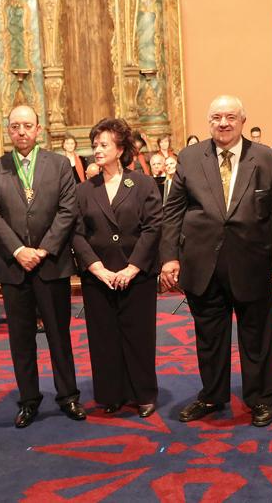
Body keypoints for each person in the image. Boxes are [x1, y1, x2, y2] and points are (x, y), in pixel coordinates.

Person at [160, 95, 272, 428]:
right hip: (202, 265)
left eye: (230, 117)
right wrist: (168, 258)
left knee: (257, 338)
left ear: (242, 121)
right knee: (209, 338)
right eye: (216, 117)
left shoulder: (266, 158)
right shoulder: (190, 158)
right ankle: (211, 395)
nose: (223, 123)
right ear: (209, 122)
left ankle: (261, 400)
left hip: (252, 263)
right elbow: (173, 210)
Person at [0, 104, 85, 428]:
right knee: (20, 338)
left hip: (50, 263)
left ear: (38, 129)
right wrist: (18, 250)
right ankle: (28, 400)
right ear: (8, 131)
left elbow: (68, 210)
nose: (22, 131)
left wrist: (42, 249)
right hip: (14, 268)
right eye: (15, 126)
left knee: (59, 334)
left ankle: (68, 396)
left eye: (27, 126)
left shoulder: (59, 164)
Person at [73, 118, 162, 418]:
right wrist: (97, 269)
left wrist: (132, 268)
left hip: (136, 276)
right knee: (103, 338)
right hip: (99, 277)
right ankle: (111, 394)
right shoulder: (85, 190)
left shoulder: (143, 184)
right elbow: (76, 233)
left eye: (104, 145)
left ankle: (144, 394)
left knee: (138, 336)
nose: (97, 150)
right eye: (95, 144)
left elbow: (152, 228)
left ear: (120, 149)